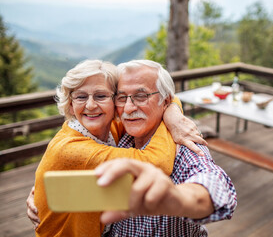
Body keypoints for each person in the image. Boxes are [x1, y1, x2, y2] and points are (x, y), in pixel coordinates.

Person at [29, 59, 206, 237]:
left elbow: (165, 97)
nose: (90, 105)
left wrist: (172, 111)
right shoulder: (70, 148)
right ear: (70, 105)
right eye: (81, 97)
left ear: (116, 102)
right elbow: (157, 162)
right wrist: (170, 114)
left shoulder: (110, 127)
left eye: (100, 96)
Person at [95, 60, 237, 236]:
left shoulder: (183, 143)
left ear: (166, 101)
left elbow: (213, 181)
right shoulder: (116, 135)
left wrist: (176, 197)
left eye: (141, 96)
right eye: (122, 98)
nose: (129, 108)